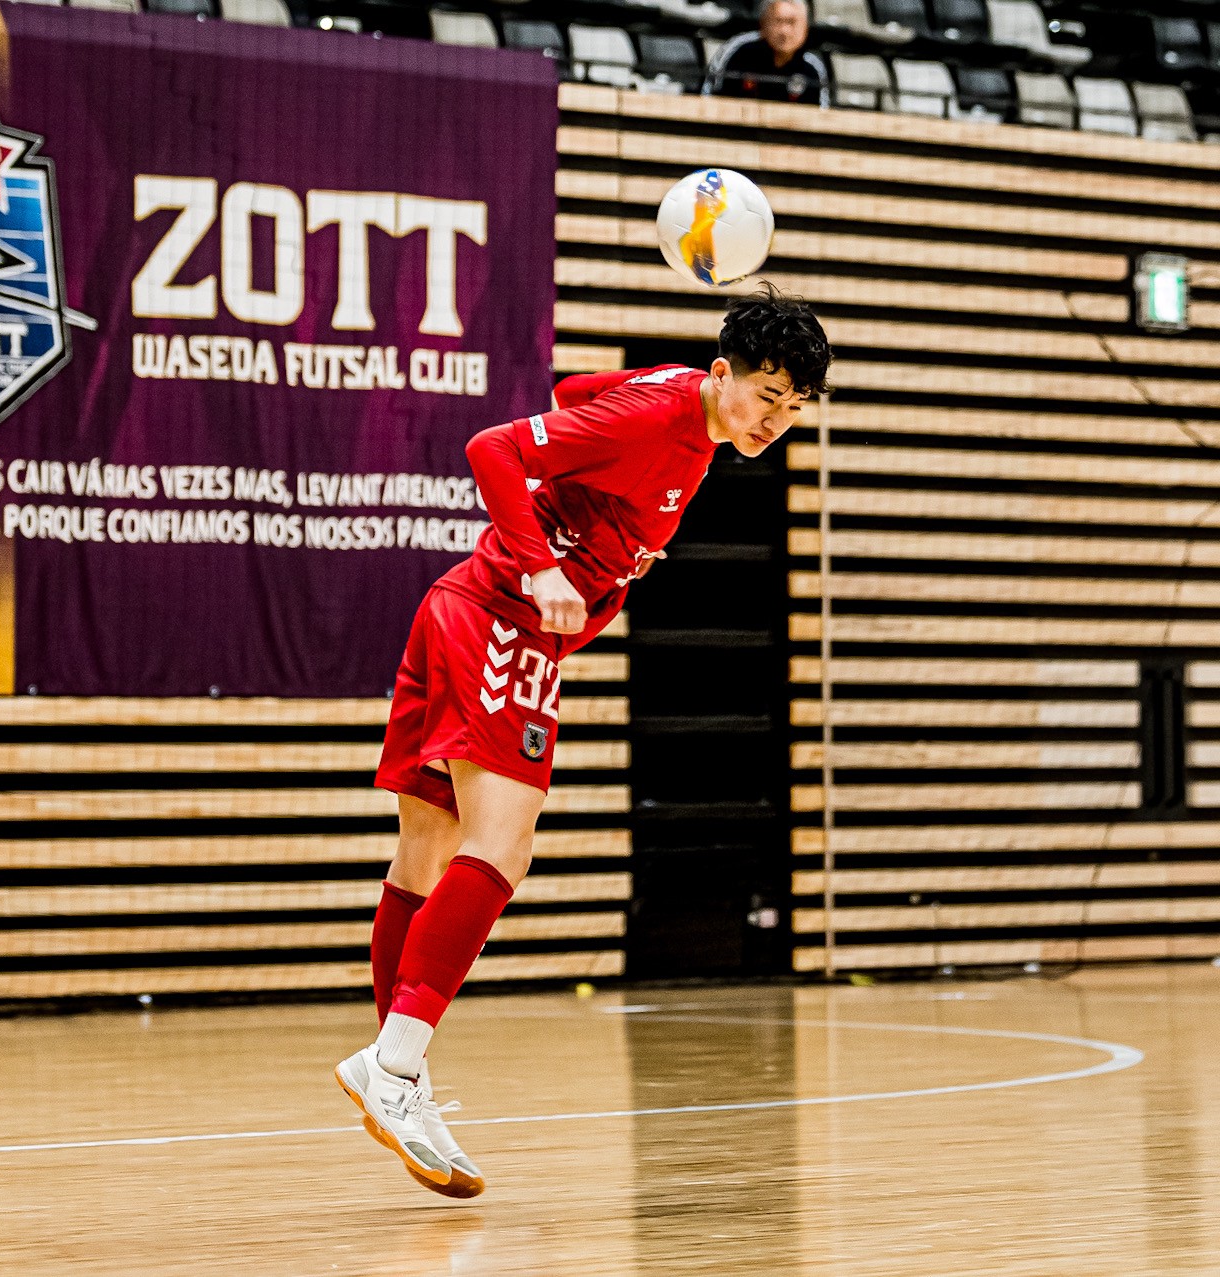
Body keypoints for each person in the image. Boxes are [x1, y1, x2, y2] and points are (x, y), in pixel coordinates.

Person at [335, 288, 832, 1197]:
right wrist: (546, 564)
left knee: (426, 854)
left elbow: (573, 393)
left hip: (460, 609)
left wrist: (606, 526)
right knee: (502, 845)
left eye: (794, 408)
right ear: (724, 373)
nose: (776, 420)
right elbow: (493, 448)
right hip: (502, 618)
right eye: (767, 396)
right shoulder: (660, 417)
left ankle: (399, 1070)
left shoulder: (680, 401)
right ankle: (394, 1067)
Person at [705, 0, 832, 106]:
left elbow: (822, 114)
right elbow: (707, 97)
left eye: (791, 22)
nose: (784, 31)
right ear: (763, 23)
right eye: (778, 21)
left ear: (806, 28)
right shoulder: (738, 51)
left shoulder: (812, 67)